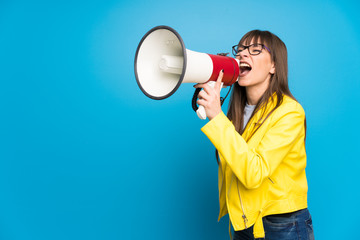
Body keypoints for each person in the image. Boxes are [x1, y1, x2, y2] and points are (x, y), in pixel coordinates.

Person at [194, 30, 315, 240]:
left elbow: (253, 173)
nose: (242, 55)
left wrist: (216, 117)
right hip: (243, 221)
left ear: (274, 66)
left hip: (282, 225)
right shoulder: (237, 114)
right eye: (239, 50)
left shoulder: (290, 112)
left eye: (255, 50)